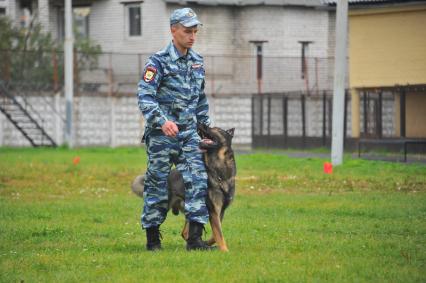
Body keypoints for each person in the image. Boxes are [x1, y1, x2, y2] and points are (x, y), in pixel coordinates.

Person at [136, 7, 213, 251]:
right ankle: (152, 240)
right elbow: (145, 97)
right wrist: (161, 121)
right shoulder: (157, 62)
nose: (192, 36)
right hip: (162, 137)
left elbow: (200, 100)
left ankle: (195, 240)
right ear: (173, 30)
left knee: (198, 179)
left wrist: (206, 132)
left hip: (189, 135)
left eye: (194, 31)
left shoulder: (197, 62)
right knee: (157, 185)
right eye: (187, 31)